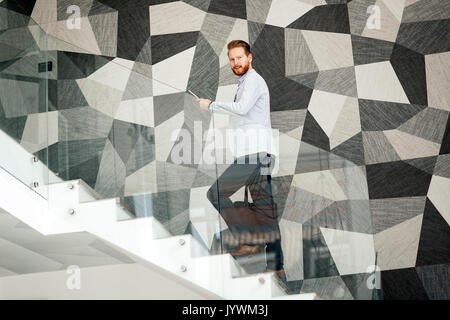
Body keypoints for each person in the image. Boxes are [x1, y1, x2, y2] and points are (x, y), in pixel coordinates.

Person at [197, 40, 285, 279]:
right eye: (232, 59)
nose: (235, 63)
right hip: (259, 154)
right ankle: (276, 266)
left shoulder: (253, 81)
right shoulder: (247, 82)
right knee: (266, 211)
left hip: (255, 155)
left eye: (239, 58)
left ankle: (248, 240)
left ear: (250, 58)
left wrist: (211, 105)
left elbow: (243, 107)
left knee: (216, 192)